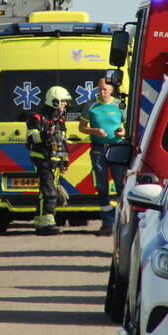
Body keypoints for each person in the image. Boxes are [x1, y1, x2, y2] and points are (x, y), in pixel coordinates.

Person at [79, 78, 126, 236]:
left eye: (104, 89)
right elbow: (82, 128)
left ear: (112, 90)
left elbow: (127, 127)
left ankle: (122, 221)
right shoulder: (90, 105)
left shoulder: (119, 105)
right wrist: (95, 131)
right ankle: (107, 223)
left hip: (117, 148)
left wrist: (122, 132)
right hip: (98, 149)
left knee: (120, 184)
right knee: (102, 186)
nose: (101, 92)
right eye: (99, 89)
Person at [26, 86, 73, 236]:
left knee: (46, 192)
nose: (65, 104)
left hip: (56, 160)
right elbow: (30, 137)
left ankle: (41, 222)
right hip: (42, 159)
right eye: (63, 101)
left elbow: (63, 141)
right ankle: (47, 224)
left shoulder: (60, 119)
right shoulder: (37, 118)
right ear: (54, 101)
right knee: (49, 192)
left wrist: (65, 161)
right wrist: (45, 135)